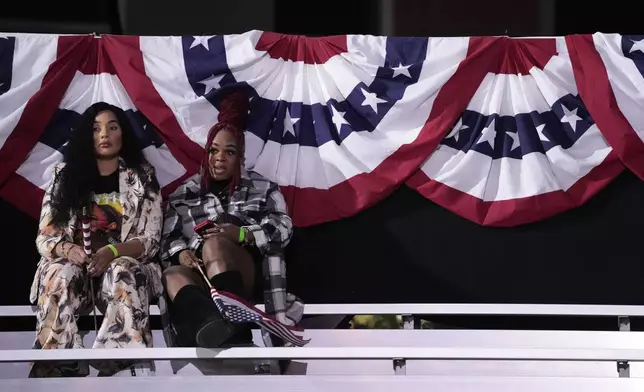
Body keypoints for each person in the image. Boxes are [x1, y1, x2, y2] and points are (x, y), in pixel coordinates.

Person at [160, 90, 303, 350]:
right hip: (201, 276)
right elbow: (168, 238)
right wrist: (181, 253)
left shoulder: (262, 187)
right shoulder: (185, 193)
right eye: (213, 150)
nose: (219, 158)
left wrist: (240, 234)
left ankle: (236, 329)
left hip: (246, 276)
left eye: (229, 152)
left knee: (214, 243)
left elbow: (284, 228)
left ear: (240, 157)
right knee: (171, 275)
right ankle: (218, 328)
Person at [28, 102, 164, 377]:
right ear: (86, 136)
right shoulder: (64, 175)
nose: (104, 134)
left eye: (112, 127)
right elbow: (45, 237)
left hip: (122, 271)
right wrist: (67, 249)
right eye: (96, 129)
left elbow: (150, 240)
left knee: (122, 269)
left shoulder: (142, 177)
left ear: (122, 134)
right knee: (59, 271)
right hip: (77, 272)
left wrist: (113, 251)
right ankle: (60, 360)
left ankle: (119, 359)